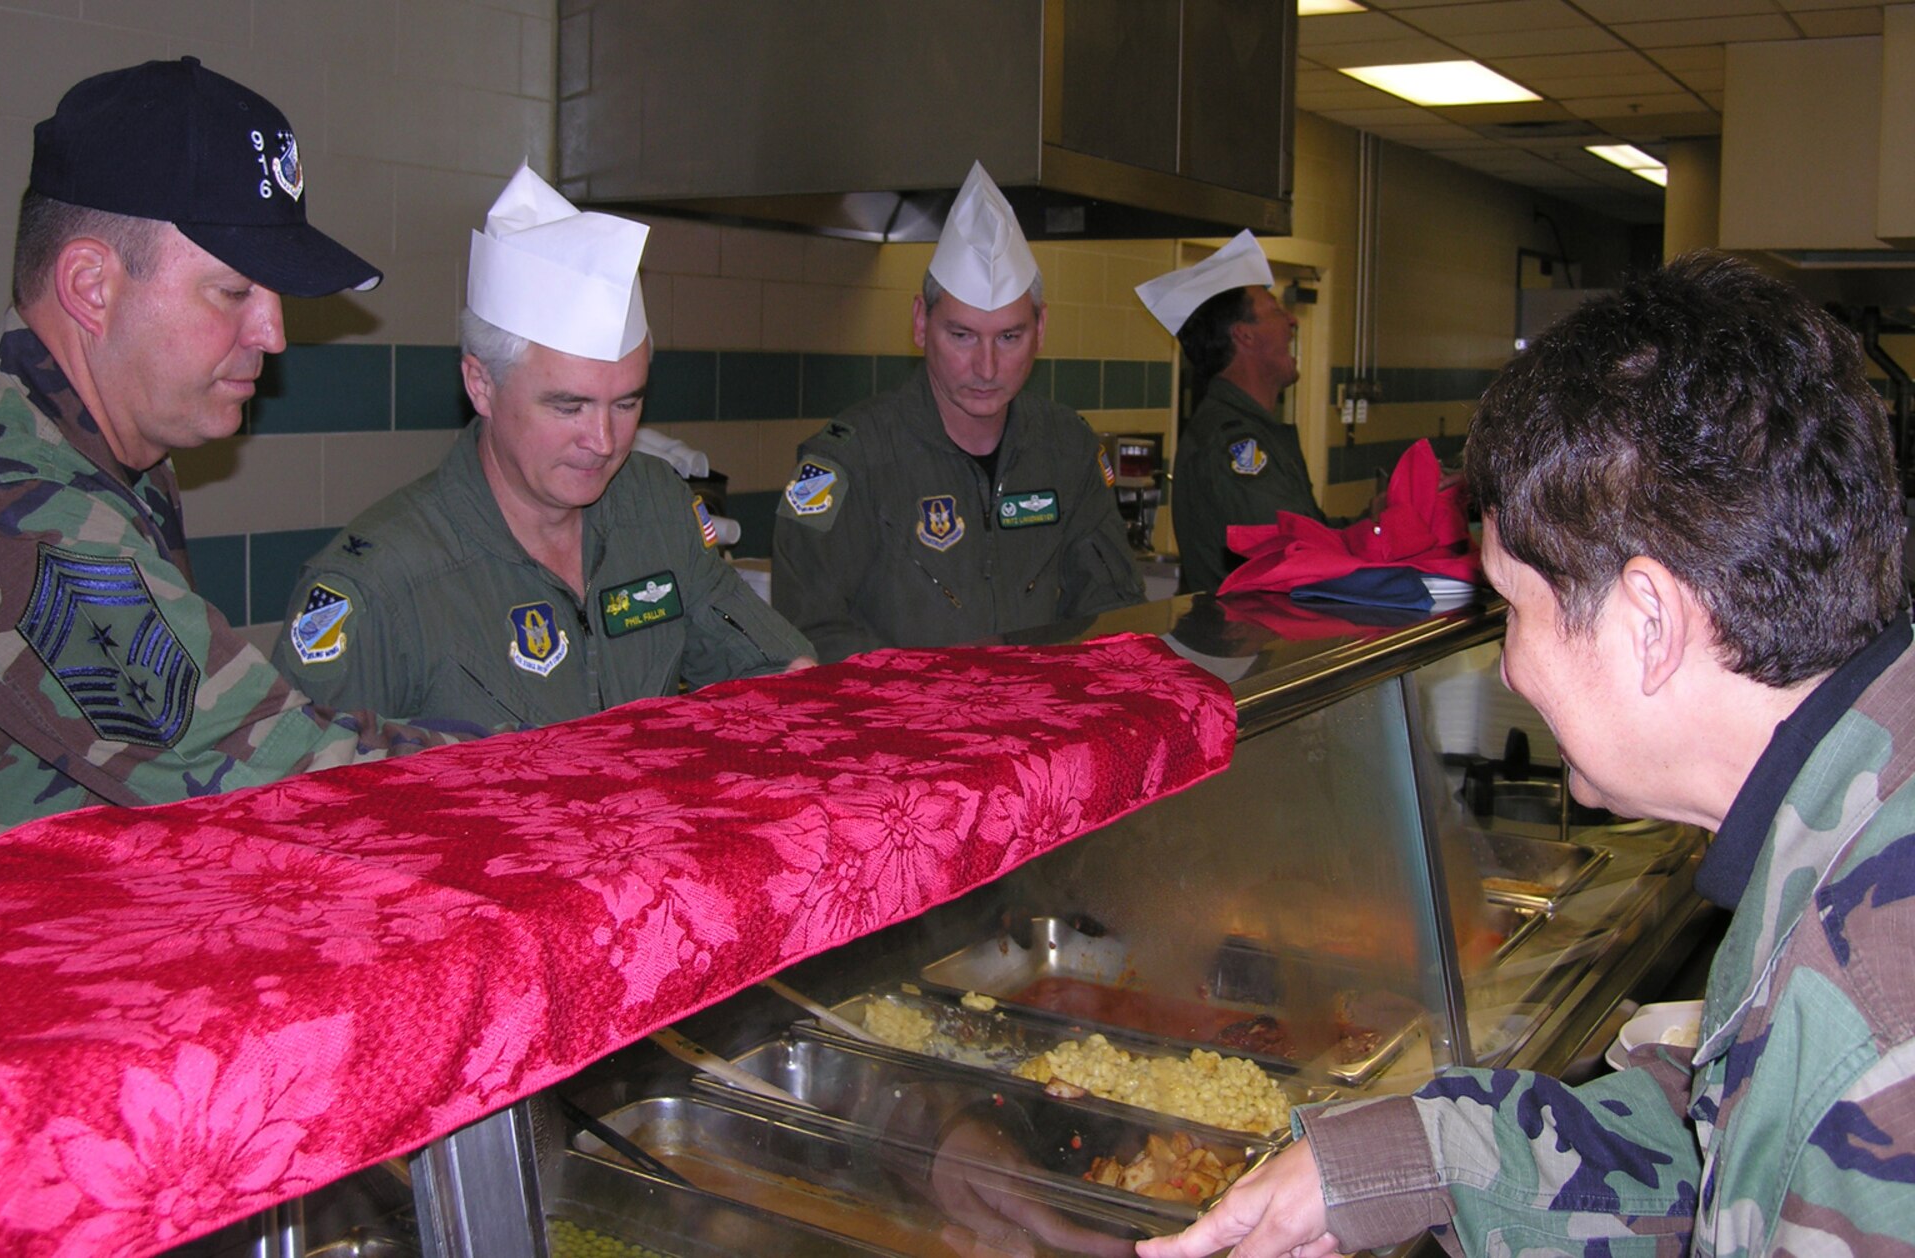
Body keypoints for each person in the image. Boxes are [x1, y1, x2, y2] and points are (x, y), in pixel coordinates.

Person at [1141, 252, 1915, 1258]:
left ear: (1647, 620)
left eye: (1513, 607)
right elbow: (1720, 1151)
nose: (1507, 671)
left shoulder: (1874, 1035)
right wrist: (1395, 1163)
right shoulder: (1838, 849)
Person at [0, 58, 469, 857]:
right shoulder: (14, 511)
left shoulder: (89, 447)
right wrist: (544, 767)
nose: (273, 335)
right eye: (235, 291)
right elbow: (283, 782)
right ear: (91, 286)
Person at [272, 165, 811, 728]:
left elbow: (777, 668)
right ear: (481, 385)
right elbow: (298, 797)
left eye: (626, 404)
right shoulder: (380, 586)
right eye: (567, 406)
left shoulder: (656, 508)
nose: (603, 442)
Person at [772, 161, 1143, 662]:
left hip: (1041, 724)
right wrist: (937, 698)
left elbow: (1114, 609)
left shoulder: (1067, 449)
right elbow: (807, 628)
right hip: (902, 731)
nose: (986, 366)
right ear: (921, 324)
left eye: (1010, 337)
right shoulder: (850, 461)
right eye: (962, 335)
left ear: (1042, 329)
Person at [1137, 230, 1325, 596]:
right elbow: (1298, 557)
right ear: (1245, 336)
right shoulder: (1234, 441)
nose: (1293, 322)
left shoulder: (1250, 428)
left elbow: (1310, 534)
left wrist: (1378, 518)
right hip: (1249, 646)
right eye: (1275, 310)